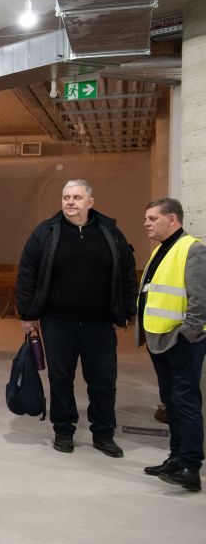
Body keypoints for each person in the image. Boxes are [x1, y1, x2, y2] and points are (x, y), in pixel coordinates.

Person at [15, 179, 137, 457]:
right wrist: (28, 314)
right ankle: (63, 430)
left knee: (103, 382)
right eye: (66, 197)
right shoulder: (46, 231)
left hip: (100, 324)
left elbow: (127, 272)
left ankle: (103, 434)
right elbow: (27, 273)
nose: (70, 202)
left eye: (77, 197)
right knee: (60, 380)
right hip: (58, 323)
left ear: (90, 202)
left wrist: (127, 310)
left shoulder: (109, 232)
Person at [138, 197, 206, 491]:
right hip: (159, 339)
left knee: (186, 403)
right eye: (147, 218)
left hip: (182, 342)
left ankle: (191, 467)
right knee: (172, 402)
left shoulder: (193, 249)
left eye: (153, 218)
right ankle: (176, 458)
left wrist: (187, 335)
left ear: (173, 219)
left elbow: (200, 299)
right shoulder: (160, 249)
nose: (146, 223)